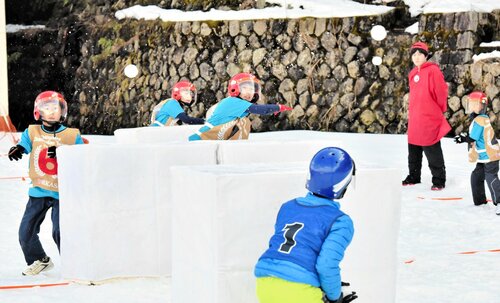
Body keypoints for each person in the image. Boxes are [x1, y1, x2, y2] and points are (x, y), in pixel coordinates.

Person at [255, 147, 358, 303]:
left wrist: (329, 284)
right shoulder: (340, 222)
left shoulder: (287, 207)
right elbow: (326, 265)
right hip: (299, 290)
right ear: (344, 184)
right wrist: (335, 297)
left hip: (265, 283)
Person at [7, 91, 85, 275]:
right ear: (38, 112)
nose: (51, 111)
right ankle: (39, 259)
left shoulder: (72, 135)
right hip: (39, 192)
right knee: (25, 232)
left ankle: (73, 264)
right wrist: (17, 149)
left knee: (60, 231)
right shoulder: (32, 132)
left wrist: (62, 151)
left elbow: (83, 158)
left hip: (62, 193)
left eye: (55, 108)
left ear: (62, 111)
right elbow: (24, 145)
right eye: (46, 108)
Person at [402, 41, 451, 191]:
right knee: (414, 148)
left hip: (429, 115)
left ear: (426, 56)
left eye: (419, 54)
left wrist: (438, 110)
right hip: (415, 116)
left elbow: (441, 93)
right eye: (414, 55)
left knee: (432, 148)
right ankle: (414, 176)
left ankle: (439, 180)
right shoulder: (412, 73)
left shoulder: (433, 71)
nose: (416, 57)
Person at [188, 72, 292, 141]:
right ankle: (238, 148)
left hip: (208, 138)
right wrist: (277, 107)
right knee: (244, 122)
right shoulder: (234, 101)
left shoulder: (237, 103)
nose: (249, 92)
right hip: (203, 137)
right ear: (235, 89)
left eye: (251, 90)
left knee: (243, 121)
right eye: (245, 88)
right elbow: (259, 109)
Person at [454, 91, 500, 215]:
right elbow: (473, 136)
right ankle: (480, 202)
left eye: (477, 104)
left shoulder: (480, 120)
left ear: (483, 106)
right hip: (483, 157)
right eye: (472, 104)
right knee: (476, 177)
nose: (474, 107)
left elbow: (472, 138)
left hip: (491, 156)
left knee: (491, 178)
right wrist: (464, 137)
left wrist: (463, 139)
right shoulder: (477, 119)